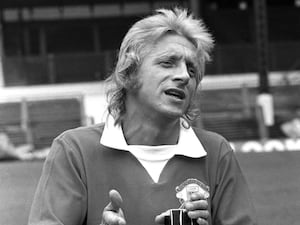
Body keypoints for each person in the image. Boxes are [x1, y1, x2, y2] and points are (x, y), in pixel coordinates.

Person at [28, 8, 257, 225]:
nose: (184, 76)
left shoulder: (217, 154)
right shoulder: (74, 151)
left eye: (192, 70)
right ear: (129, 70)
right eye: (168, 63)